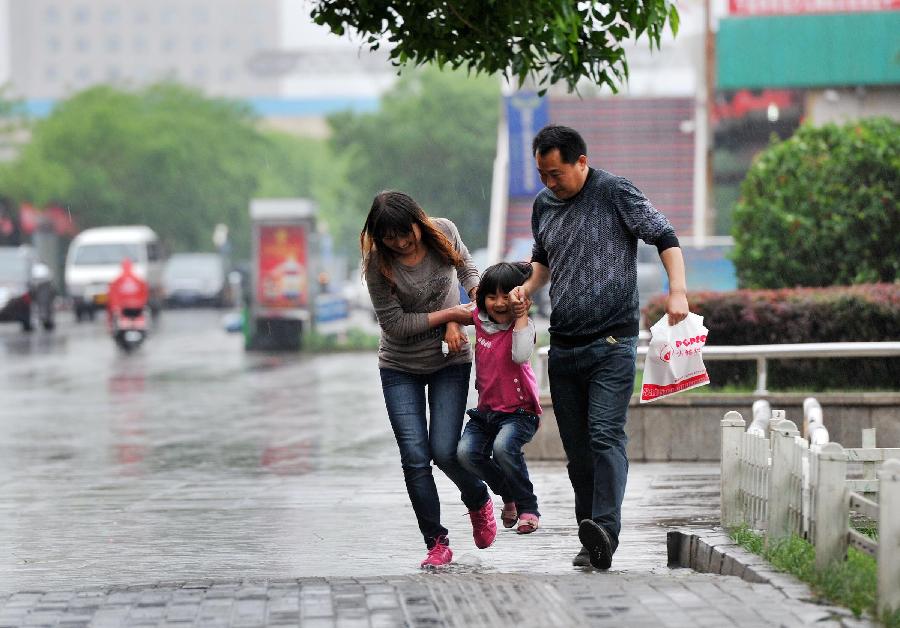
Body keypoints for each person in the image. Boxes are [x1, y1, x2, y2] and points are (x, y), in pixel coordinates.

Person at [510, 125, 689, 570]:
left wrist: (678, 290)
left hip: (612, 341)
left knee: (605, 435)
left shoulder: (615, 192)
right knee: (578, 452)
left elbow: (665, 235)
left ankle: (605, 529)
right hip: (565, 345)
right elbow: (543, 258)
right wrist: (528, 286)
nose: (550, 183)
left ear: (581, 162)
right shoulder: (543, 204)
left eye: (557, 173)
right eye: (543, 174)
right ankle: (591, 536)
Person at [362, 191, 497, 569]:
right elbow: (395, 324)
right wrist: (451, 315)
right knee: (415, 458)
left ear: (418, 222)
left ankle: (477, 499)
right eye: (390, 238)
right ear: (379, 236)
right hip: (399, 365)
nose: (401, 243)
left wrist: (477, 299)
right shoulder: (378, 263)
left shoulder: (443, 232)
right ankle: (436, 542)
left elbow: (468, 269)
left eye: (406, 233)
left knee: (444, 450)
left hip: (449, 361)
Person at [455, 262, 543, 535]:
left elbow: (519, 355)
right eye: (492, 296)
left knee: (504, 449)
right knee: (465, 454)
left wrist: (520, 316)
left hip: (520, 413)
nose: (499, 303)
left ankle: (528, 506)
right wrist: (452, 324)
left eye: (507, 296)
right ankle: (509, 496)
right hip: (487, 412)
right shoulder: (480, 319)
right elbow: (457, 312)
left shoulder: (524, 327)